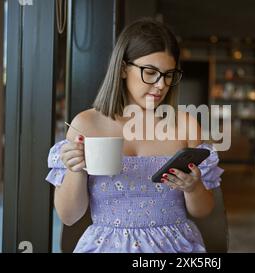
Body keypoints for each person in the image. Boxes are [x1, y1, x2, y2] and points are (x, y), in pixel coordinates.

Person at [45, 18, 224, 253]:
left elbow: (203, 210)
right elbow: (69, 216)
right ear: (122, 69)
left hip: (175, 246)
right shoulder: (85, 125)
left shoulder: (186, 125)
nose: (161, 85)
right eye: (150, 72)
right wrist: (75, 170)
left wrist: (193, 188)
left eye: (169, 74)